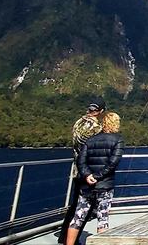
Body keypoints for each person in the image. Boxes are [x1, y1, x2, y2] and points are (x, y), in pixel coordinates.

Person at [66, 112, 124, 245]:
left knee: (78, 217)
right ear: (116, 124)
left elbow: (81, 160)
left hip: (87, 185)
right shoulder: (117, 140)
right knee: (102, 218)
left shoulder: (90, 139)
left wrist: (88, 175)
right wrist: (98, 176)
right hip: (104, 185)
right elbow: (113, 162)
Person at [58, 96, 105, 244]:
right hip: (89, 171)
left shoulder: (77, 123)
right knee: (87, 207)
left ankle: (64, 236)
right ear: (101, 111)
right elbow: (97, 150)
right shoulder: (97, 128)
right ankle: (73, 239)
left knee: (74, 204)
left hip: (76, 169)